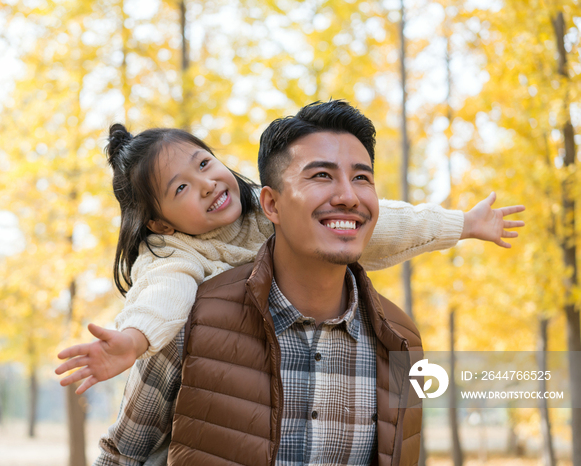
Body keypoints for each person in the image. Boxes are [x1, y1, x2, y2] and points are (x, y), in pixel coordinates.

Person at [87, 101, 524, 465]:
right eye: (181, 187)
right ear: (161, 223)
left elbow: (393, 222)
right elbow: (165, 295)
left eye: (205, 164)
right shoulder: (185, 294)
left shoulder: (400, 343)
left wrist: (462, 224)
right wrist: (135, 338)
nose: (205, 184)